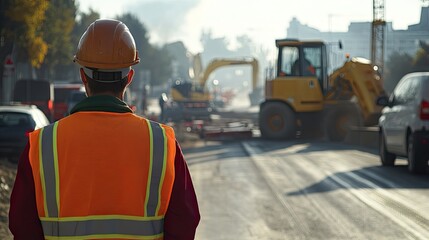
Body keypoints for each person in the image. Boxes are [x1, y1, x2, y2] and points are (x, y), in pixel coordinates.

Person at [9, 19, 200, 240]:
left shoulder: (41, 145)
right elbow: (185, 222)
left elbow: (22, 226)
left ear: (83, 77)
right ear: (129, 78)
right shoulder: (162, 143)